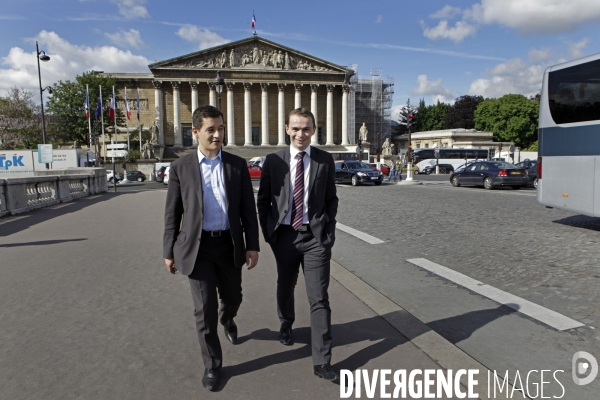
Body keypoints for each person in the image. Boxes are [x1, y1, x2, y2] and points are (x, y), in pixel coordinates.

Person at [163, 105, 260, 391]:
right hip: (197, 248)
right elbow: (172, 213)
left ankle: (228, 318)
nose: (217, 135)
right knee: (202, 311)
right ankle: (212, 365)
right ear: (195, 133)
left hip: (229, 245)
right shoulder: (181, 167)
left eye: (220, 129)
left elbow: (247, 210)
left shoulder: (236, 165)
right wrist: (168, 251)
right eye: (211, 130)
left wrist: (252, 246)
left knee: (233, 298)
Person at [257, 108, 339, 382]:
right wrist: (270, 234)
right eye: (296, 128)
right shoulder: (273, 161)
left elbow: (331, 199)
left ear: (314, 130)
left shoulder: (325, 160)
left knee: (319, 297)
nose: (300, 133)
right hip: (285, 236)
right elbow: (263, 201)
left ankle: (322, 361)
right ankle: (286, 323)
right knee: (286, 284)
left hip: (315, 238)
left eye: (306, 128)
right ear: (286, 129)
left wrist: (329, 231)